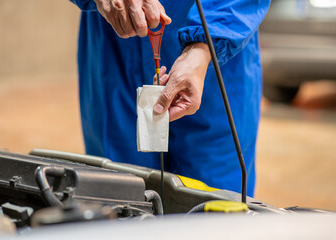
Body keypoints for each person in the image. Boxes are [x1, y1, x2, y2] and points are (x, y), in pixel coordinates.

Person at [69, 0, 270, 197]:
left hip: (218, 60)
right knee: (121, 198)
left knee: (213, 207)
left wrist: (203, 48)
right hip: (114, 52)